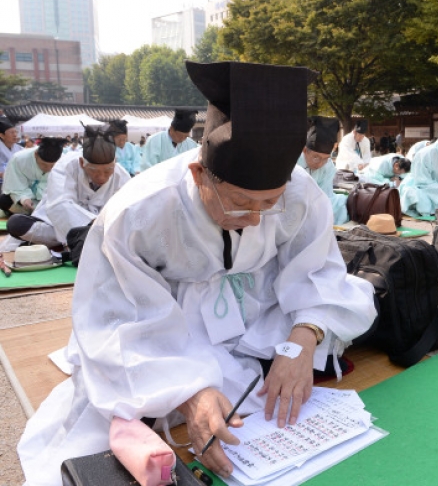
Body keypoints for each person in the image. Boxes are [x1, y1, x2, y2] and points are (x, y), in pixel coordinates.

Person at [17, 61, 377, 486]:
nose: (256, 221)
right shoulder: (139, 211)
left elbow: (318, 272)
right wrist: (189, 391)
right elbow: (117, 315)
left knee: (330, 322)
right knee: (102, 417)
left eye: (270, 203)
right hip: (168, 320)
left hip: (255, 310)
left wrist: (301, 342)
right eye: (241, 203)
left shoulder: (300, 193)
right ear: (198, 174)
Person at [5, 125, 131, 249]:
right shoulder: (65, 166)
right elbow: (60, 204)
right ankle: (80, 240)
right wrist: (91, 224)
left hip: (104, 228)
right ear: (82, 163)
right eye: (95, 171)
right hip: (60, 227)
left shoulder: (121, 174)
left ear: (115, 163)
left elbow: (130, 208)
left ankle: (80, 241)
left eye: (108, 171)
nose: (102, 177)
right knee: (17, 224)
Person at [296, 116, 349, 224]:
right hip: (292, 204)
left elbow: (325, 196)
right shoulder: (292, 162)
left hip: (315, 205)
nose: (320, 164)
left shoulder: (328, 166)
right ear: (305, 150)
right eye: (316, 157)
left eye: (325, 159)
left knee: (340, 206)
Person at [0, 137, 66, 216]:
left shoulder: (64, 161)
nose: (48, 169)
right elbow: (14, 184)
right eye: (44, 165)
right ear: (36, 154)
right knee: (4, 200)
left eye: (52, 165)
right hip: (26, 201)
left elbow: (62, 188)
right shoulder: (19, 159)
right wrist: (24, 199)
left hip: (49, 201)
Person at [0, 116, 23, 188]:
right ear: (2, 135)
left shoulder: (19, 148)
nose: (15, 135)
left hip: (14, 181)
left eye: (15, 132)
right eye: (11, 132)